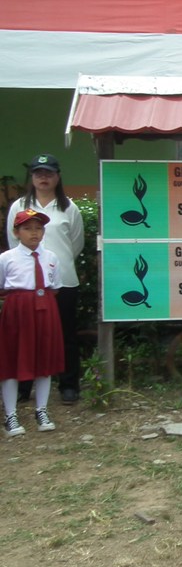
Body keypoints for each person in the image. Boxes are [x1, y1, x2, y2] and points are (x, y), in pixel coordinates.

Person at [6, 154, 85, 405]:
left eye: (48, 173)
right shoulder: (19, 206)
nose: (43, 177)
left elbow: (76, 243)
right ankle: (23, 386)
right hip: (27, 285)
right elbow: (13, 244)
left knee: (65, 334)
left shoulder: (68, 207)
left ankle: (69, 385)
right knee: (26, 335)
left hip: (63, 283)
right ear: (32, 177)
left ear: (58, 177)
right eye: (38, 173)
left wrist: (53, 267)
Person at [1, 209, 63, 437]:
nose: (34, 233)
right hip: (17, 310)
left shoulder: (51, 257)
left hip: (45, 307)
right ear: (16, 232)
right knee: (12, 359)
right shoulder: (6, 259)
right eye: (27, 228)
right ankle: (10, 415)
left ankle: (42, 410)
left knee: (43, 357)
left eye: (38, 228)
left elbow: (55, 286)